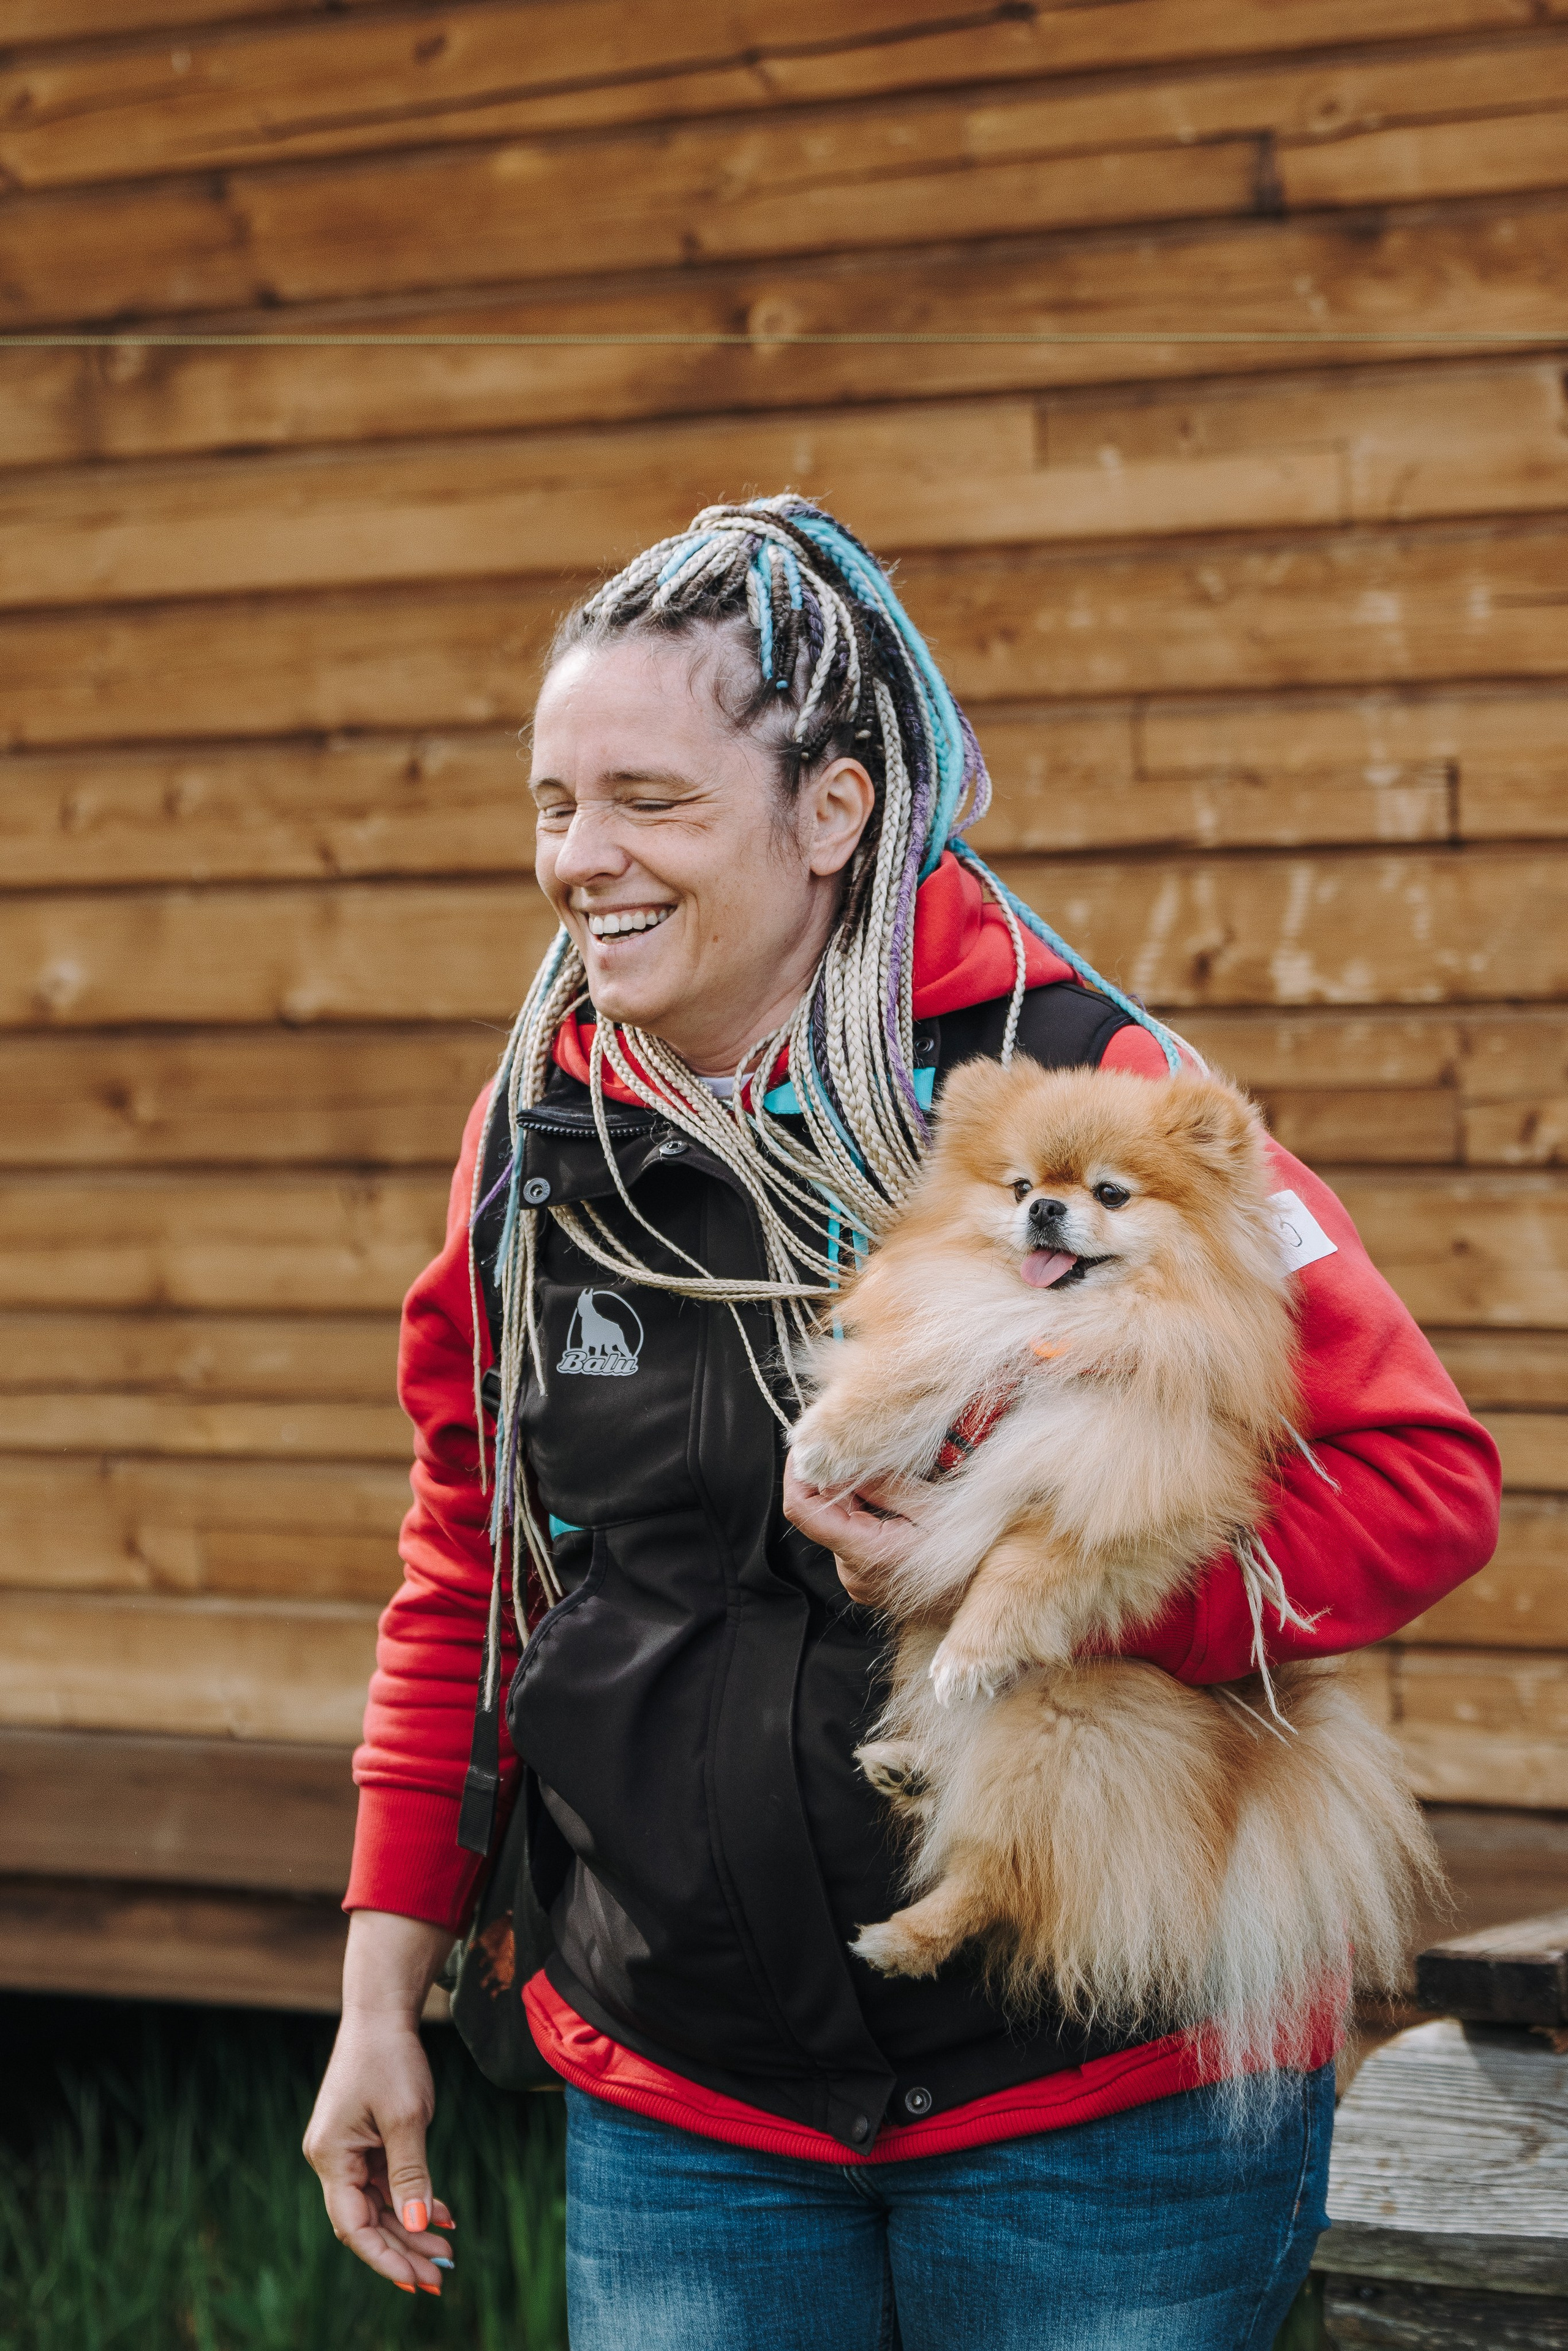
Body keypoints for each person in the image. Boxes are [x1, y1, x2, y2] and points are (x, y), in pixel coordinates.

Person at [304, 497, 1499, 2348]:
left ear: (836, 811)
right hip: (686, 2112)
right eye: (555, 804)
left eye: (653, 801)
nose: (582, 859)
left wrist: (1065, 1585)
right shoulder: (526, 1156)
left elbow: (1427, 1489)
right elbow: (470, 1571)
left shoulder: (1096, 1097)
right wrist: (381, 1984)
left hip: (1090, 2117)